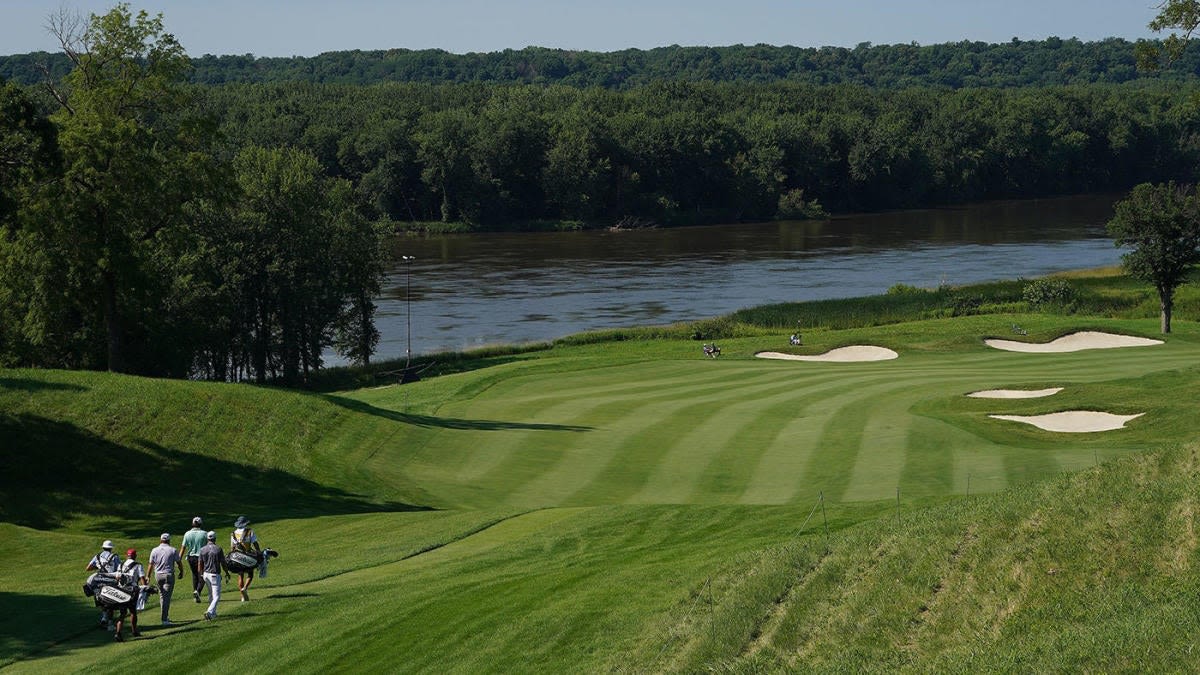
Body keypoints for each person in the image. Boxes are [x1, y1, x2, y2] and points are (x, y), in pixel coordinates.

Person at [148, 533, 184, 626]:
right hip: (168, 575)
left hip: (158, 576)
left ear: (161, 540)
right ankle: (164, 619)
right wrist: (181, 572)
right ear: (168, 540)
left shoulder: (154, 550)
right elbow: (179, 562)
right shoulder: (173, 550)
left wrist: (147, 576)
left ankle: (165, 616)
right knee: (166, 597)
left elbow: (150, 564)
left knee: (162, 596)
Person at [113, 549, 147, 641]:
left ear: (127, 555)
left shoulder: (121, 564)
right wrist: (145, 588)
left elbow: (117, 578)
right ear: (135, 556)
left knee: (122, 613)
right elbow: (142, 578)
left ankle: (118, 633)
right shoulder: (138, 565)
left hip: (121, 591)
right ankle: (134, 631)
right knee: (133, 612)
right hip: (132, 591)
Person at [85, 539, 120, 630]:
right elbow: (119, 569)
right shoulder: (115, 557)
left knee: (101, 600)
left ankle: (104, 617)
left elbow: (88, 568)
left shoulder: (97, 556)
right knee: (111, 601)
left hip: (99, 580)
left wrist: (99, 566)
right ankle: (110, 624)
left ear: (103, 547)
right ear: (111, 548)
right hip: (111, 580)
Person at [198, 531, 229, 620]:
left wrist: (200, 574)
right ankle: (209, 611)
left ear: (207, 539)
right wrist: (226, 572)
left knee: (211, 594)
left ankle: (213, 613)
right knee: (217, 596)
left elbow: (200, 563)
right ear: (215, 539)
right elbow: (223, 563)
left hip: (205, 574)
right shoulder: (218, 549)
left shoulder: (202, 549)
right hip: (214, 575)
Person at [230, 516, 261, 601]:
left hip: (237, 557)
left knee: (240, 575)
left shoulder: (233, 533)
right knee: (250, 574)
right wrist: (259, 552)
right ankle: (245, 588)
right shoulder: (249, 531)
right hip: (248, 556)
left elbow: (232, 548)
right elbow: (255, 543)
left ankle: (242, 596)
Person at [179, 516, 207, 603]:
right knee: (203, 576)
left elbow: (183, 548)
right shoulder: (205, 534)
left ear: (192, 524)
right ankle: (197, 591)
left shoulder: (187, 534)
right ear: (200, 524)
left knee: (195, 575)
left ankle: (196, 594)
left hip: (190, 558)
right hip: (201, 557)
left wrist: (178, 559)